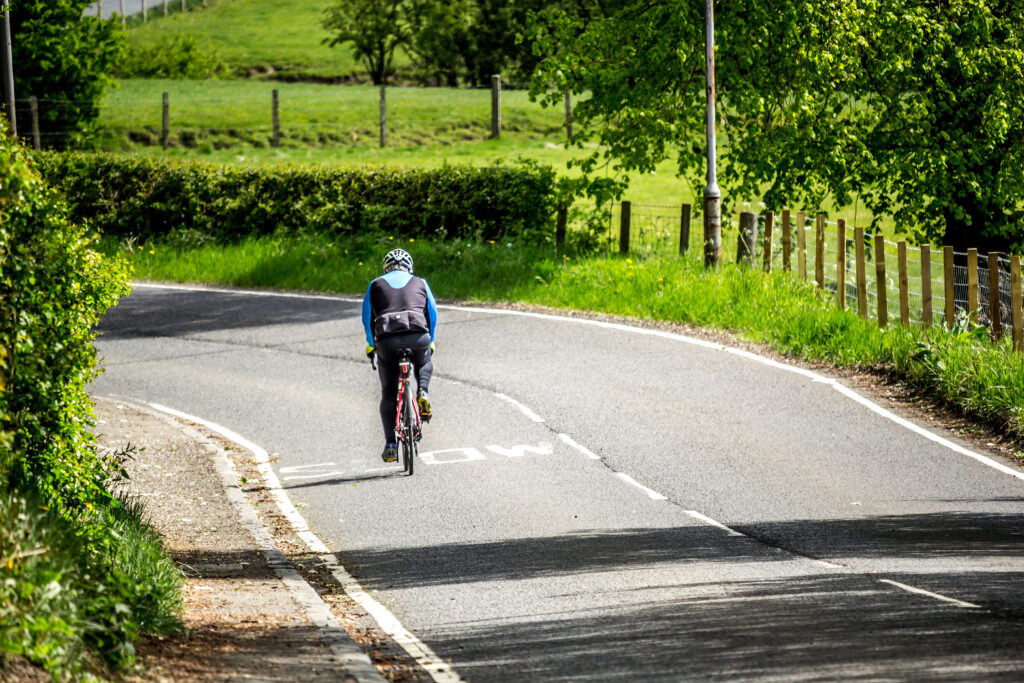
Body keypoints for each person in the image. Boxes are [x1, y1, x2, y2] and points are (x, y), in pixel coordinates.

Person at [362, 248, 437, 463]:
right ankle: (423, 391)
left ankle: (391, 444)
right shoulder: (420, 282)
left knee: (388, 392)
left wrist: (371, 345)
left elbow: (367, 318)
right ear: (409, 267)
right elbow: (432, 312)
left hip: (387, 339)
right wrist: (431, 339)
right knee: (424, 361)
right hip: (418, 335)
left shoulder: (375, 284)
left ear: (386, 268)